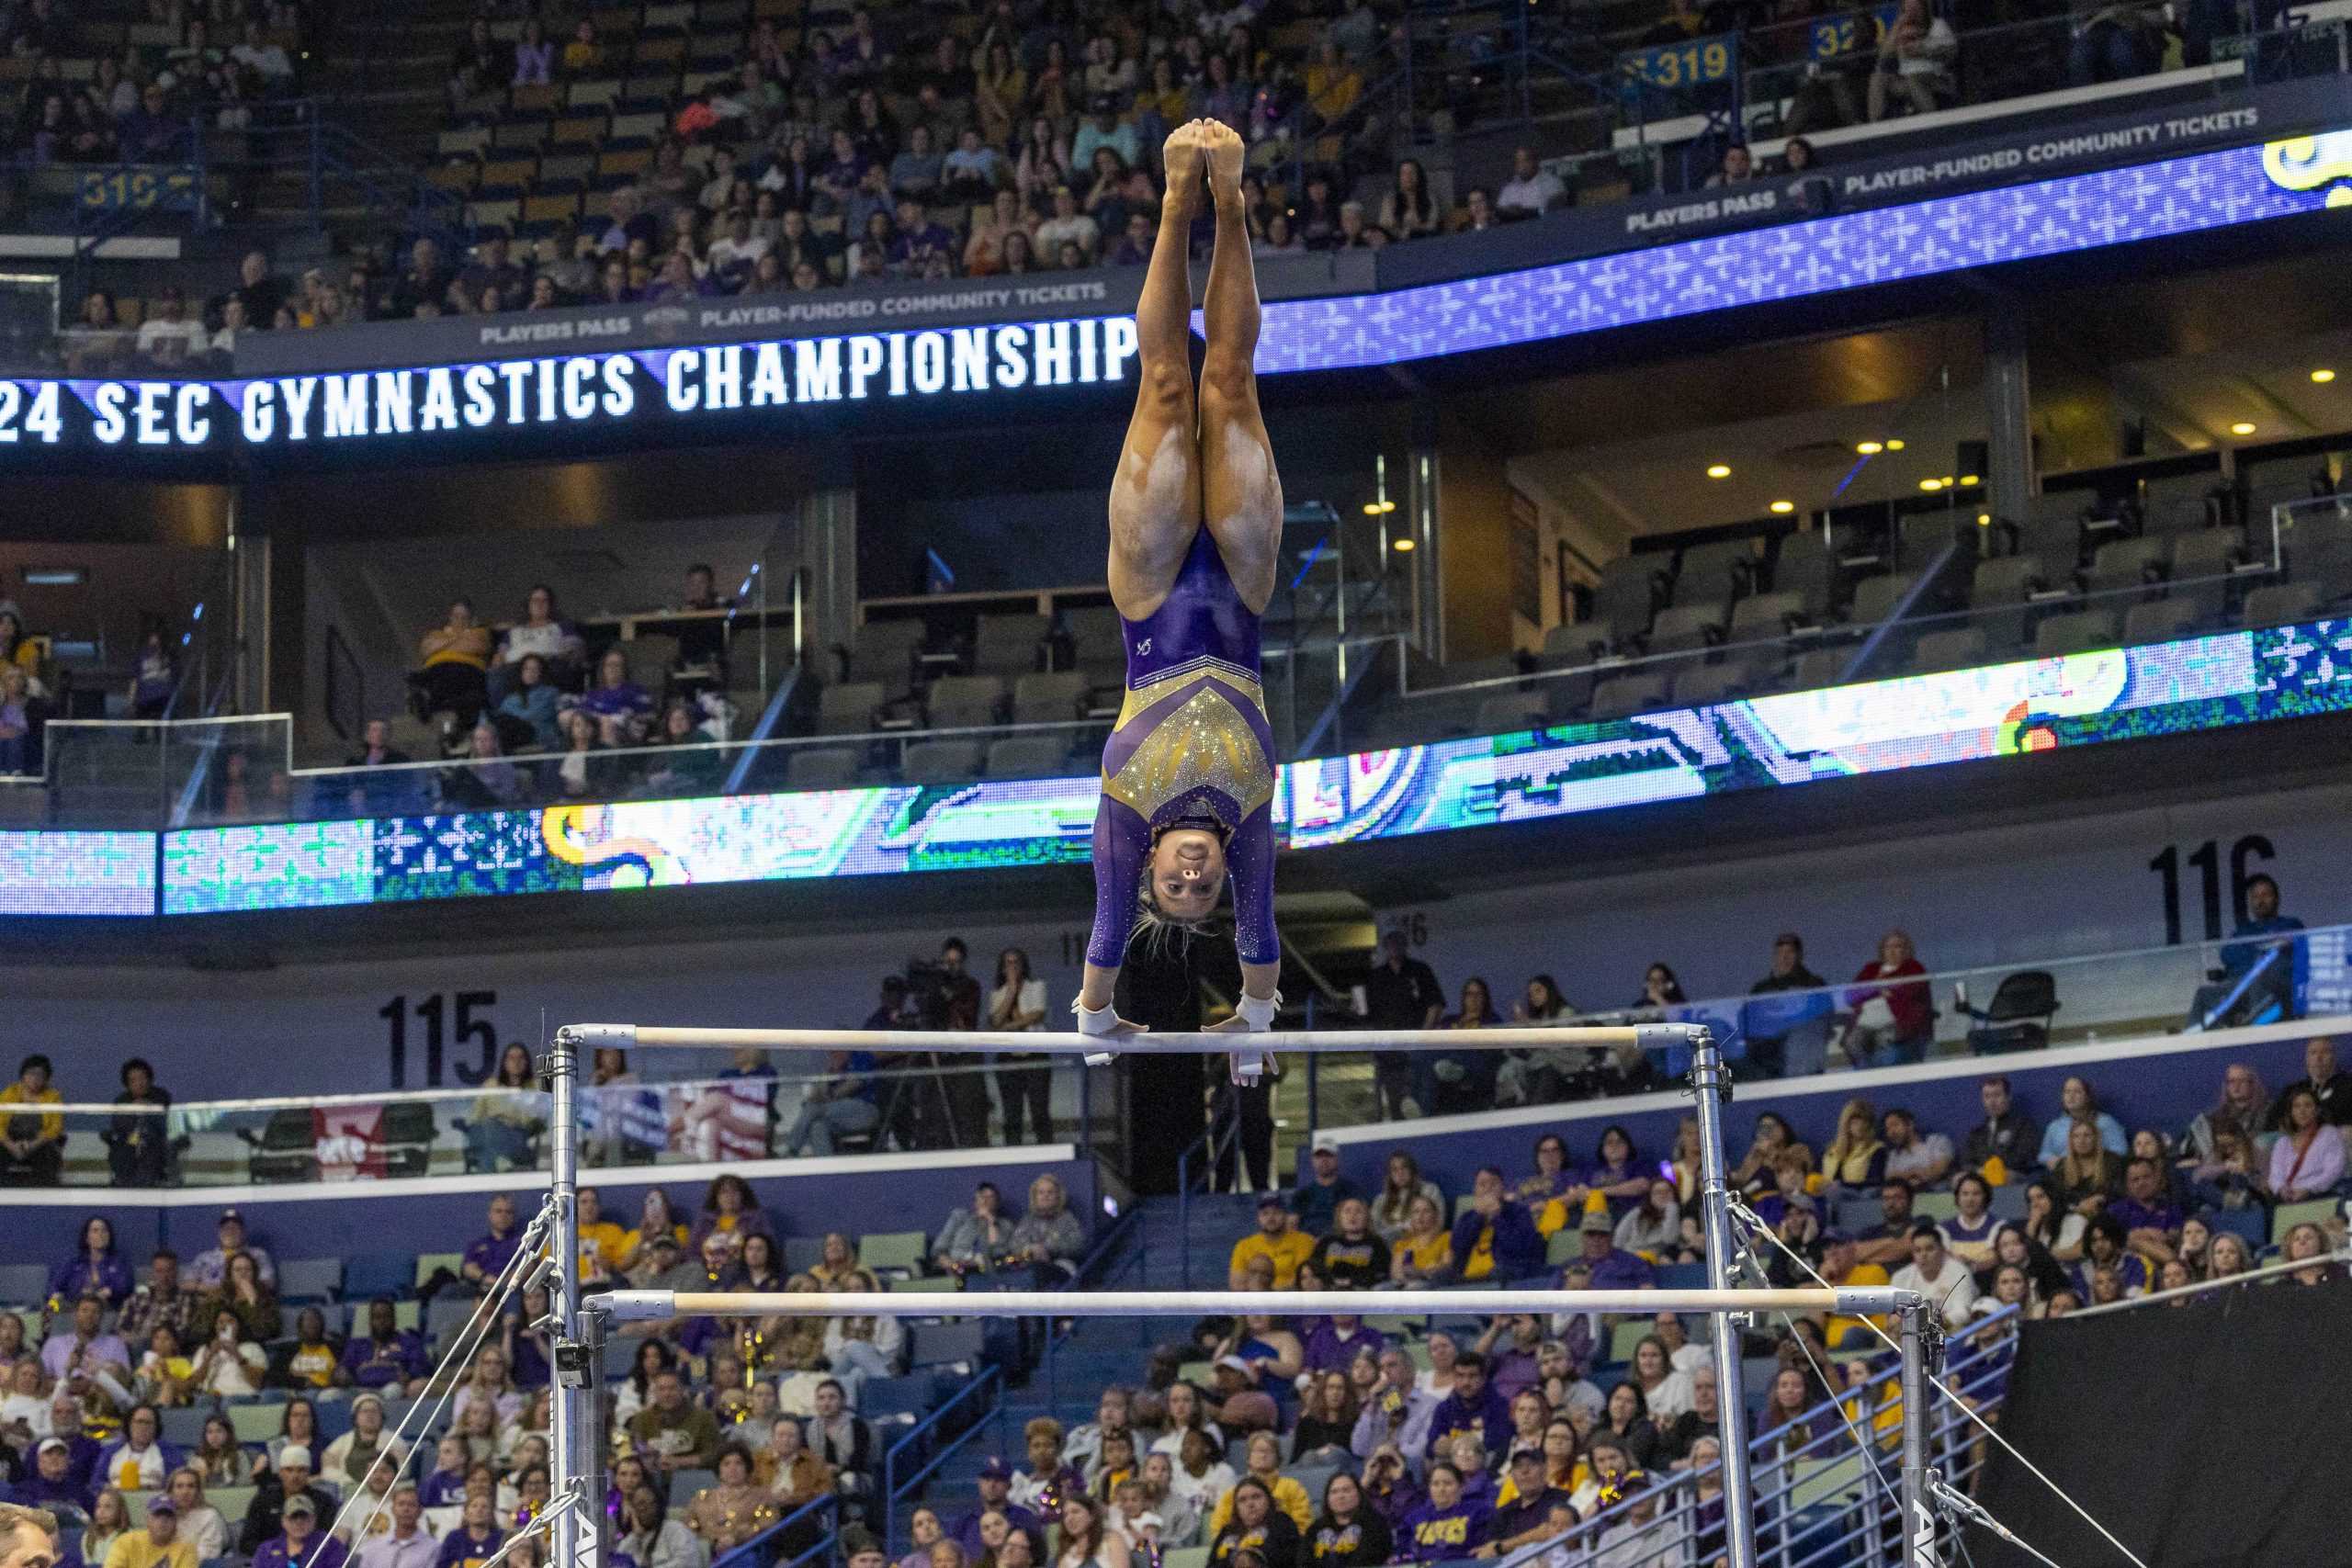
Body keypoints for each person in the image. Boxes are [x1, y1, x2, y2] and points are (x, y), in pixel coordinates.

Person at [1075, 121, 1283, 1078]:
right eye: (1204, 891)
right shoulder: (1247, 826)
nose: (1195, 878)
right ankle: (1230, 205)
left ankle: (1171, 204)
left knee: (1166, 387)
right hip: (1239, 593)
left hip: (1152, 595)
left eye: (1180, 887)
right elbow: (1264, 926)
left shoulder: (1125, 816)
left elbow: (1107, 931)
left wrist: (1096, 1020)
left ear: (1156, 869)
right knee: (1228, 385)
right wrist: (1252, 1022)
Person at [2190, 874, 2306, 1028]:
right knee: (2203, 993)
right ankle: (2191, 1036)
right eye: (2255, 897)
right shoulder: (2243, 931)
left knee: (2258, 973)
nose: (2260, 901)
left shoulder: (2290, 924)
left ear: (2276, 899)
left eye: (2265, 895)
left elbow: (2281, 952)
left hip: (2275, 990)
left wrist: (2257, 951)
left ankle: (2250, 1024)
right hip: (2239, 988)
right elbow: (2227, 955)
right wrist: (2263, 946)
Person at [1360, 930, 1443, 1120]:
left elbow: (1435, 1004)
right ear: (1385, 945)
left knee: (1421, 1103)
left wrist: (1422, 1038)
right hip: (1388, 1053)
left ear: (1405, 944)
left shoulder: (1420, 970)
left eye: (1398, 941)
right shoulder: (1376, 977)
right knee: (1397, 1105)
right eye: (1390, 942)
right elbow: (1366, 1013)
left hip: (1417, 1051)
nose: (1394, 946)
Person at [1743, 933, 1831, 1079]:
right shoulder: (1761, 989)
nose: (1784, 958)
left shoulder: (1814, 984)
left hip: (1801, 1045)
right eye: (1780, 953)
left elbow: (1823, 1017)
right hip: (1767, 1048)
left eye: (1790, 952)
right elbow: (1749, 1022)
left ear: (1799, 956)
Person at [989, 949, 1054, 1145]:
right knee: (1011, 1112)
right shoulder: (997, 994)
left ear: (1024, 965)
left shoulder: (1036, 987)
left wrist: (1007, 1027)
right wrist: (1010, 991)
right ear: (1002, 968)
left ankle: (1047, 1150)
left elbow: (1036, 1014)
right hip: (1009, 1058)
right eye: (1008, 963)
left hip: (1035, 1054)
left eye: (1016, 962)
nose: (1013, 967)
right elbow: (995, 1020)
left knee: (1039, 1109)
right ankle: (1013, 1152)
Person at [1842, 931, 1931, 1066]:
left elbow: (1910, 991)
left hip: (1896, 1022)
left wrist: (1874, 990)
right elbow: (1851, 996)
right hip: (1864, 1023)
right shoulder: (1871, 969)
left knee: (1884, 1046)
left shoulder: (1913, 968)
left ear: (1906, 950)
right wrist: (1878, 989)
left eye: (1897, 946)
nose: (1892, 950)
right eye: (1888, 946)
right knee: (1853, 1043)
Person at [1889, 1221, 1979, 1328]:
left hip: (1947, 1330)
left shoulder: (1960, 1272)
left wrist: (1929, 1321)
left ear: (1942, 1251)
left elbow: (1964, 1313)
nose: (1923, 1255)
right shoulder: (1900, 1277)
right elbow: (1895, 1317)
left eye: (1929, 1249)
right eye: (1918, 1250)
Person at [2267, 1085, 2345, 1201]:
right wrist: (2281, 1189)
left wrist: (2309, 1189)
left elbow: (2334, 1171)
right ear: (2291, 1112)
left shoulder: (2329, 1134)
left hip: (2318, 1197)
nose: (2302, 1111)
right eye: (2297, 1106)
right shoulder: (2283, 1142)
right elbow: (2275, 1175)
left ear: (2317, 1110)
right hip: (2287, 1200)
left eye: (2308, 1105)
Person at [1396, 1463, 1487, 1562]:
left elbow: (1482, 1548)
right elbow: (1404, 1552)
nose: (1441, 1489)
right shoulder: (1414, 1517)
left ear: (1461, 1487)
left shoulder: (1477, 1511)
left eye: (1447, 1484)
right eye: (1435, 1484)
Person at [104, 1060, 174, 1188]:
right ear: (127, 1085)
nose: (139, 1084)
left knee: (151, 1150)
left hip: (155, 1142)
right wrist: (132, 1110)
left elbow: (166, 1125)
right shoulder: (121, 1101)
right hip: (129, 1142)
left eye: (142, 1078)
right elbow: (118, 1126)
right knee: (123, 1149)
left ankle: (147, 1183)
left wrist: (149, 1107)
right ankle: (123, 1183)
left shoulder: (161, 1096)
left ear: (149, 1079)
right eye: (133, 1081)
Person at [0, 1056, 63, 1187]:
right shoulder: (9, 1094)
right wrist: (11, 1145)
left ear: (46, 1078)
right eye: (30, 1074)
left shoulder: (53, 1097)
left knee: (48, 1156)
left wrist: (32, 1145)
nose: (35, 1079)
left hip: (38, 1143)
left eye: (40, 1075)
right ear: (23, 1076)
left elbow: (55, 1128)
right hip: (11, 1141)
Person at [1962, 1076, 2041, 1178]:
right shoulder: (1977, 1132)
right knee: (1960, 1178)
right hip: (1981, 1177)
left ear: (2008, 1097)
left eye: (1997, 1095)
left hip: (2011, 1175)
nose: (1992, 1101)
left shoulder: (2023, 1125)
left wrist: (1995, 1169)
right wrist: (1981, 1171)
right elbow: (1966, 1162)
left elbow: (2025, 1157)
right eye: (1987, 1096)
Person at [1306, 1472, 1391, 1568]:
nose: (1340, 1496)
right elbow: (1304, 1561)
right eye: (1334, 1492)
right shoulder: (1315, 1528)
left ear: (1359, 1494)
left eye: (1346, 1490)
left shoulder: (1375, 1523)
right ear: (1327, 1498)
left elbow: (1371, 1559)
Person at [2035, 1077, 2126, 1164]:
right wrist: (2053, 1161)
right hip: (2064, 1173)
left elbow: (2121, 1150)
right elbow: (2043, 1154)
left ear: (2088, 1097)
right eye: (2067, 1092)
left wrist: (2094, 1160)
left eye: (2077, 1092)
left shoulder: (2105, 1122)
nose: (2071, 1096)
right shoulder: (2055, 1126)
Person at [1228, 1195, 1311, 1289]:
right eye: (1265, 1213)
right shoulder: (1244, 1246)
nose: (1271, 1218)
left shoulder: (1303, 1241)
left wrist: (1272, 1293)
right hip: (1256, 1299)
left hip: (1292, 1299)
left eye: (1276, 1213)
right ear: (1258, 1218)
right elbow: (1237, 1284)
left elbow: (1304, 1280)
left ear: (1286, 1216)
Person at [2267, 1036, 2349, 1129]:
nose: (2318, 1058)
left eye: (2325, 1052)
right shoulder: (2293, 1090)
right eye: (2313, 1053)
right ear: (2307, 1059)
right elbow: (2272, 1122)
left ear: (2334, 1057)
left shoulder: (2348, 1086)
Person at [1306, 1199, 1389, 1290]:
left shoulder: (1377, 1243)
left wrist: (1350, 1281)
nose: (1352, 1216)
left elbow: (1381, 1274)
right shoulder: (1326, 1242)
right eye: (1347, 1211)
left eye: (1358, 1211)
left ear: (1367, 1217)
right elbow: (1313, 1269)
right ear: (1339, 1217)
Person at [1292, 1134, 1365, 1236]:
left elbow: (1361, 1223)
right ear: (1312, 1160)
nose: (1324, 1160)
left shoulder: (1351, 1191)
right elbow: (1291, 1227)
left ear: (1337, 1159)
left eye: (1328, 1155)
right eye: (1319, 1156)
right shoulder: (1301, 1195)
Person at [252, 1493, 345, 1568]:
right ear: (283, 1520)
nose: (299, 1522)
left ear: (314, 1519)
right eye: (294, 1516)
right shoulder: (265, 1550)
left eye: (304, 1516)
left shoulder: (330, 1546)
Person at [104, 1495, 193, 1568]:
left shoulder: (186, 1548)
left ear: (176, 1521)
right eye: (157, 1515)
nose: (163, 1521)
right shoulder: (125, 1542)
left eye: (169, 1516)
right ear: (147, 1520)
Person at [1880, 1108, 1952, 1189]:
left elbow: (1939, 1170)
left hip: (1934, 1190)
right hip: (1905, 1194)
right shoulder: (1893, 1154)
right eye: (1888, 1129)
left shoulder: (1936, 1141)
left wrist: (1903, 1176)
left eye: (1895, 1125)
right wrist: (1912, 1173)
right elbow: (1890, 1179)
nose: (1891, 1132)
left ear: (1910, 1125)